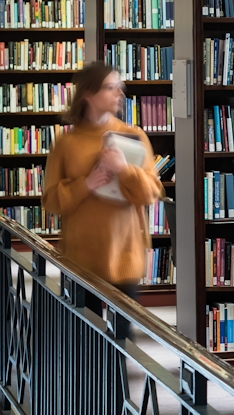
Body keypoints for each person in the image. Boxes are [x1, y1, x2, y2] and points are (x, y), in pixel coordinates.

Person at [42, 62, 163, 305]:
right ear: (88, 94)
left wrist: (124, 170)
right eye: (111, 88)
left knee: (122, 339)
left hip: (124, 257)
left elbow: (151, 193)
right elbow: (51, 201)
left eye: (120, 87)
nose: (120, 94)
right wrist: (86, 184)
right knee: (86, 339)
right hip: (81, 260)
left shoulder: (134, 136)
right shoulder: (66, 144)